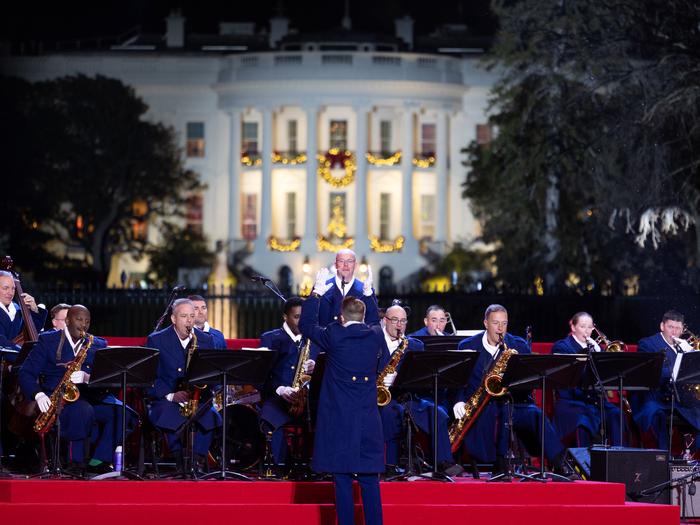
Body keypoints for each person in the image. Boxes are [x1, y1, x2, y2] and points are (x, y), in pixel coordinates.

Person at [300, 268, 384, 525]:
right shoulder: (376, 336)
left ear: (341, 317)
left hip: (339, 419)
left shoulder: (335, 334)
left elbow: (305, 326)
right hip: (368, 419)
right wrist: (369, 295)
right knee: (370, 481)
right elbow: (372, 321)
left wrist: (315, 293)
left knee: (342, 480)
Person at [453, 304, 571, 476]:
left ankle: (560, 462)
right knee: (496, 415)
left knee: (536, 414)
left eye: (504, 323)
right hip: (481, 406)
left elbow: (529, 380)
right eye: (495, 323)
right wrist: (459, 400)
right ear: (486, 323)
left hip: (513, 402)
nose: (500, 328)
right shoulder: (467, 345)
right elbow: (459, 380)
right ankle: (498, 464)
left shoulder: (518, 345)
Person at [18, 304, 134, 474]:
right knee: (82, 410)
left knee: (124, 413)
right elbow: (26, 373)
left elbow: (108, 379)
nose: (83, 325)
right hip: (58, 400)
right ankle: (76, 462)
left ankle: (99, 461)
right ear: (67, 320)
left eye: (87, 321)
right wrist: (38, 394)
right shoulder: (48, 340)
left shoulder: (97, 344)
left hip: (90, 396)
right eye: (79, 319)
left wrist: (88, 378)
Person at [379, 303, 461, 477]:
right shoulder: (374, 342)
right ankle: (389, 465)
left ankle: (443, 462)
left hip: (408, 397)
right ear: (385, 321)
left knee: (438, 413)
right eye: (394, 320)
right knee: (390, 414)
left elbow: (421, 379)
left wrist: (401, 379)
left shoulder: (414, 345)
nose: (399, 325)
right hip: (382, 399)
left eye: (403, 321)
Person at [146, 298, 220, 474]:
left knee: (210, 416)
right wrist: (170, 395)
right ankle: (179, 460)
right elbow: (148, 377)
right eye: (184, 316)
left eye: (192, 316)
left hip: (197, 397)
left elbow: (211, 373)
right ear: (173, 319)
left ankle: (197, 461)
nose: (189, 321)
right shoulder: (156, 340)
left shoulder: (205, 340)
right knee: (167, 413)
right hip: (167, 398)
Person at [259, 296, 319, 466]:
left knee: (330, 417)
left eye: (304, 317)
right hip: (279, 397)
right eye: (297, 317)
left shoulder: (314, 340)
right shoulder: (270, 338)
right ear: (285, 316)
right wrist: (279, 389)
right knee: (269, 419)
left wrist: (317, 368)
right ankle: (278, 465)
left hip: (307, 400)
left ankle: (317, 466)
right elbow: (260, 376)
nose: (301, 321)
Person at [551, 312, 624, 447]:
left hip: (594, 400)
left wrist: (599, 354)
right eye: (583, 326)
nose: (587, 331)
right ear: (573, 327)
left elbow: (604, 376)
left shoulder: (596, 347)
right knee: (583, 420)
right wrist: (590, 352)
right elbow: (571, 376)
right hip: (571, 401)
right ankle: (584, 464)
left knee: (616, 414)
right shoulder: (562, 346)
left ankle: (618, 459)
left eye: (590, 327)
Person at [632, 310, 699, 452]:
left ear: (682, 330)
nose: (674, 332)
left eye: (678, 328)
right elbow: (649, 374)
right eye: (670, 327)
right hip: (655, 396)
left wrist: (691, 355)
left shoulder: (684, 346)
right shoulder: (647, 344)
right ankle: (663, 459)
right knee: (657, 415)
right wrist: (679, 368)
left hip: (679, 397)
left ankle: (689, 455)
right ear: (662, 326)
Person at [318, 249, 379, 327]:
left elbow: (373, 323)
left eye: (350, 261)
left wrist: (368, 294)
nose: (345, 265)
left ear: (355, 265)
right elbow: (311, 321)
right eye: (341, 261)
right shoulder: (321, 287)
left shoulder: (366, 290)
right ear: (336, 264)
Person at [0, 270, 47, 352]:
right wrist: (24, 356)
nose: (10, 292)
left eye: (13, 288)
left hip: (19, 361)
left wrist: (34, 311)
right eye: (5, 288)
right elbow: (3, 343)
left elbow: (31, 334)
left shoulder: (17, 309)